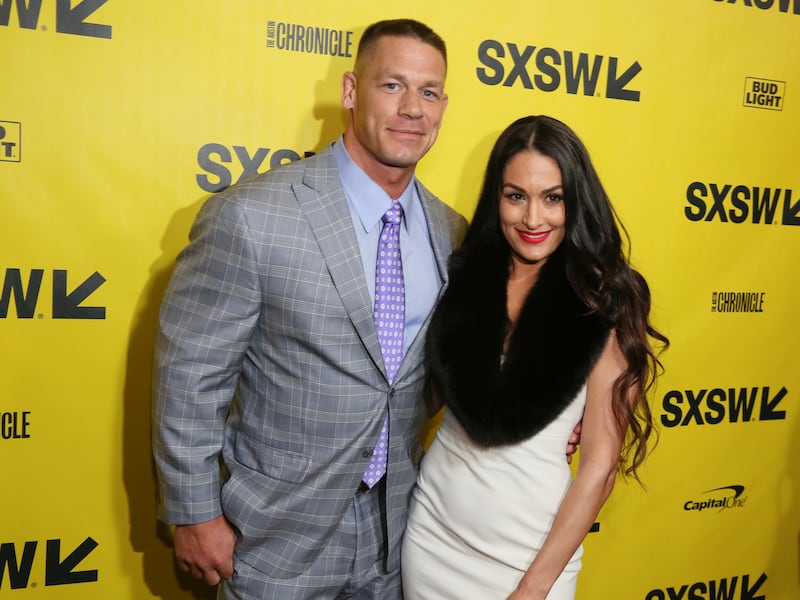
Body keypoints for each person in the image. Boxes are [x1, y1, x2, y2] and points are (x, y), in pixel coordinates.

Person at [152, 19, 466, 599]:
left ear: (443, 106)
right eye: (392, 85)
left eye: (428, 92)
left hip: (401, 538)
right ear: (351, 91)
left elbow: (457, 367)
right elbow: (190, 377)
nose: (412, 109)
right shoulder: (251, 216)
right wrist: (192, 512)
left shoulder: (451, 232)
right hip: (273, 537)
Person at [401, 115, 669, 600]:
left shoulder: (603, 300)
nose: (532, 219)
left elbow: (600, 468)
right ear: (496, 197)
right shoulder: (467, 274)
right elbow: (436, 392)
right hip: (431, 536)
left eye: (553, 198)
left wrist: (533, 588)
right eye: (515, 196)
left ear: (576, 200)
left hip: (526, 557)